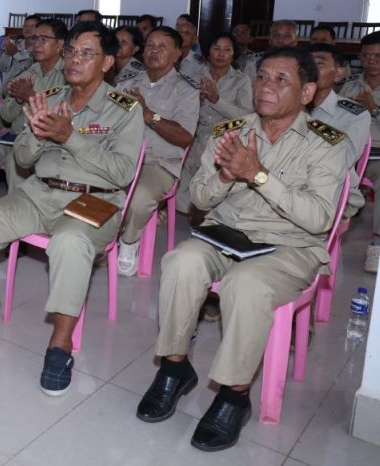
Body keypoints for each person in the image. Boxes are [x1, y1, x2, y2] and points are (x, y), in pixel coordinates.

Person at [136, 48, 345, 452]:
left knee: (245, 285)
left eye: (281, 80)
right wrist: (226, 177)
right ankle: (174, 369)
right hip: (227, 235)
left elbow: (319, 219)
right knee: (180, 261)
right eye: (262, 77)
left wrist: (258, 175)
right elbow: (199, 197)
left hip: (290, 245)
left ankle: (234, 394)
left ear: (306, 93)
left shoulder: (327, 143)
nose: (266, 86)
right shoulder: (229, 131)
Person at [0, 22, 144, 397]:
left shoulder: (124, 109)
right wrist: (39, 134)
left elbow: (123, 172)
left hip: (95, 199)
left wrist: (69, 137)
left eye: (86, 53)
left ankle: (60, 346)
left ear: (107, 62)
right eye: (71, 51)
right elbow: (23, 158)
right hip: (40, 193)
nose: (74, 59)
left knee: (70, 243)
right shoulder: (50, 96)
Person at [115, 27, 200, 277]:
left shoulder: (186, 90)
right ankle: (101, 236)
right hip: (122, 157)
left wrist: (149, 115)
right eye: (151, 44)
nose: (154, 50)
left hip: (158, 163)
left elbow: (185, 137)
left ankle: (129, 242)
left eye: (163, 46)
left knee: (140, 196)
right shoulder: (126, 83)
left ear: (178, 53)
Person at [0, 18, 65, 204]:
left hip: (45, 143)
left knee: (16, 162)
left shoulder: (67, 75)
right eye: (35, 38)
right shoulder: (30, 71)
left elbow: (60, 115)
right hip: (16, 137)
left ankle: (17, 212)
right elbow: (6, 115)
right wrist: (19, 99)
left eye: (44, 39)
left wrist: (30, 96)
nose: (37, 44)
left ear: (60, 44)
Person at [177, 33, 253, 215]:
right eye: (216, 48)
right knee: (180, 196)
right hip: (194, 137)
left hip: (223, 139)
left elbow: (246, 117)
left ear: (233, 55)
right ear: (208, 52)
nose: (221, 54)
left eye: (227, 50)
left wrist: (217, 101)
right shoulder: (192, 77)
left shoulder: (241, 80)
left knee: (214, 194)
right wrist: (196, 102)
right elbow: (179, 110)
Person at [340, 30, 380, 273]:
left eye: (378, 56)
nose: (371, 60)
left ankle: (378, 244)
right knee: (322, 171)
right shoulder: (349, 86)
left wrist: (375, 109)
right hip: (350, 151)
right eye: (365, 55)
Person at [308, 43, 370, 221]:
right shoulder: (283, 104)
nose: (309, 69)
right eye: (304, 64)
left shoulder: (354, 113)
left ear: (339, 73)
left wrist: (305, 121)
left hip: (330, 187)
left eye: (319, 64)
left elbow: (345, 157)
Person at [175, 14, 207, 79]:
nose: (182, 35)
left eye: (187, 33)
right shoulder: (166, 55)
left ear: (194, 39)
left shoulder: (198, 63)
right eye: (179, 32)